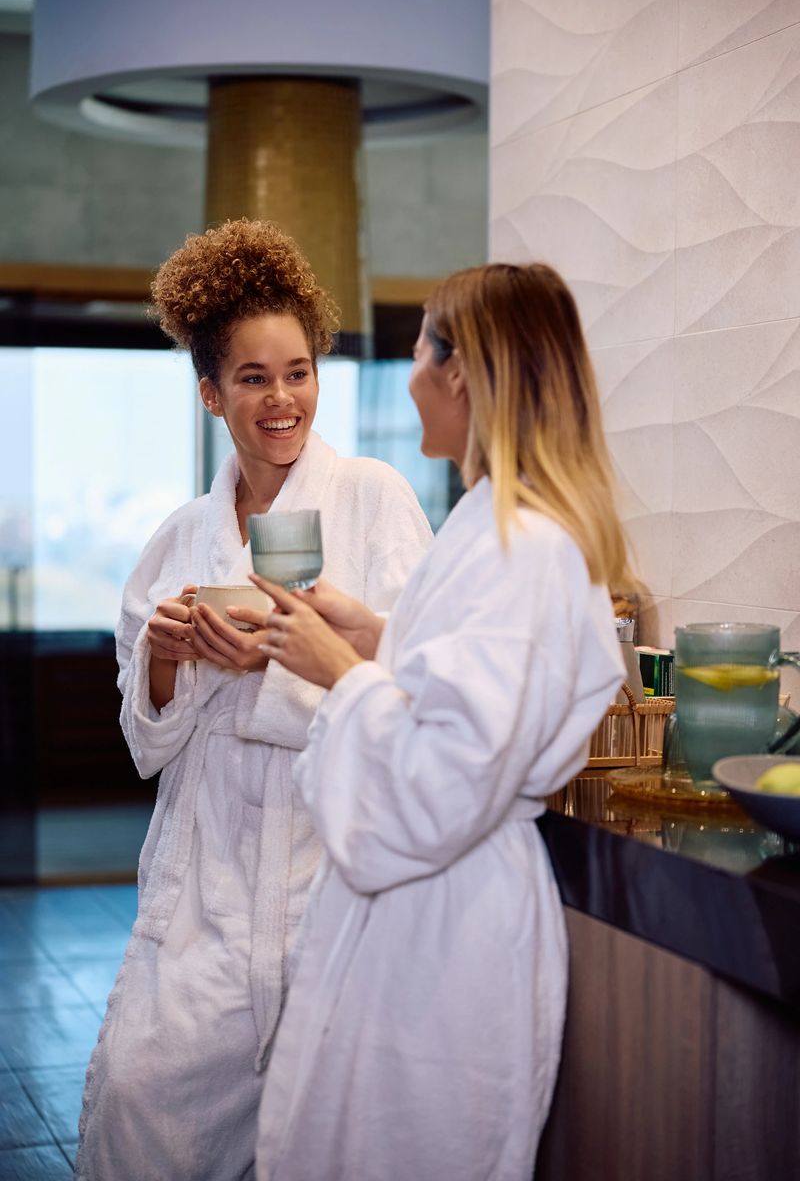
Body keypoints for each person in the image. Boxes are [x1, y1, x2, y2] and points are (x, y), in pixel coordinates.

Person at [235, 262, 629, 1180]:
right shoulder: (491, 529)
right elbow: (471, 693)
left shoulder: (523, 546)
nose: (409, 372)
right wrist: (377, 637)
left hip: (448, 927)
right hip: (425, 912)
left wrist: (342, 674)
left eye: (419, 348)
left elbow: (447, 778)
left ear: (460, 373)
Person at [75, 219, 432, 1181]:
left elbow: (412, 683)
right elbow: (145, 741)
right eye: (253, 378)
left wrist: (271, 667)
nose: (283, 399)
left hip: (326, 883)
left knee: (327, 1145)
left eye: (299, 372)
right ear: (211, 393)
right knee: (140, 1110)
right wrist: (167, 658)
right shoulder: (177, 538)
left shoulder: (374, 498)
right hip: (205, 894)